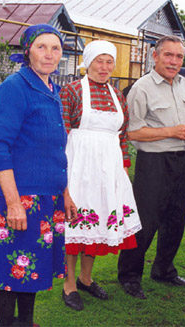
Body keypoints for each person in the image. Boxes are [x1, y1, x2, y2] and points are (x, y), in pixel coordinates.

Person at [0, 24, 77, 327]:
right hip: (21, 197)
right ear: (27, 51)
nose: (49, 54)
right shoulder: (15, 87)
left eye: (55, 48)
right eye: (41, 47)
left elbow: (53, 149)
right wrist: (14, 203)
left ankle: (26, 322)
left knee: (30, 267)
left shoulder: (52, 90)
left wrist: (65, 192)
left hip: (47, 197)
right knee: (10, 270)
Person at [59, 40, 142, 311]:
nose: (104, 67)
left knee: (98, 221)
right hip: (79, 166)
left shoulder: (118, 96)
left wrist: (123, 170)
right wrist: (64, 175)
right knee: (76, 223)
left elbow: (122, 136)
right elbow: (61, 133)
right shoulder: (71, 90)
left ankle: (86, 278)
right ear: (88, 62)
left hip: (109, 169)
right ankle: (69, 283)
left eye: (109, 61)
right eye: (99, 61)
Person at [117, 35, 185, 299]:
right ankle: (129, 276)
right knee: (145, 221)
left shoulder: (184, 83)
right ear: (155, 56)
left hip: (181, 160)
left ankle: (164, 269)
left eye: (179, 57)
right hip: (153, 163)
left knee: (176, 219)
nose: (174, 62)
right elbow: (132, 132)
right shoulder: (141, 88)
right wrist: (171, 131)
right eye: (168, 55)